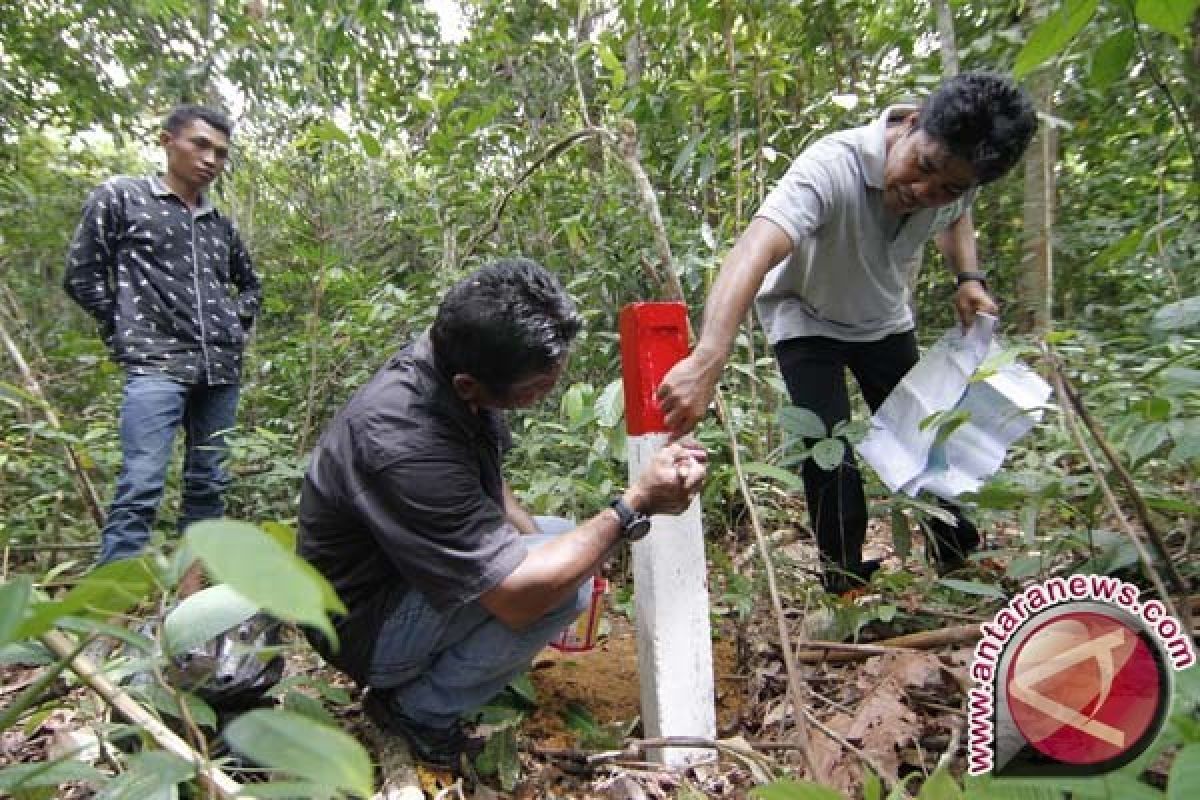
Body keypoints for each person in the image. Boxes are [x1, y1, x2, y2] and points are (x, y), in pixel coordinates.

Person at [297, 258, 706, 768]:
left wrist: (545, 545)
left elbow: (484, 484)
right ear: (470, 385)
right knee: (563, 585)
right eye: (536, 389)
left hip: (399, 578)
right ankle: (418, 710)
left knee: (558, 539)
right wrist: (632, 506)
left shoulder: (446, 368)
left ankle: (446, 675)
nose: (547, 392)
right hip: (364, 628)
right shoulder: (403, 438)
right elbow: (516, 600)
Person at [657, 71, 1037, 594]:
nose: (925, 191)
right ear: (911, 122)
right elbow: (753, 250)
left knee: (925, 434)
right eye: (922, 167)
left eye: (948, 185)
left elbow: (957, 218)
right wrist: (708, 358)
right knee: (825, 444)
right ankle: (844, 578)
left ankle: (957, 557)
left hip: (882, 317)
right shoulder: (830, 166)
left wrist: (968, 278)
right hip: (804, 316)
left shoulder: (956, 185)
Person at [64, 104, 261, 595]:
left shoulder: (219, 224)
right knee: (141, 485)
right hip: (155, 366)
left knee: (208, 485)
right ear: (166, 141)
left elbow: (251, 285)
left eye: (221, 152)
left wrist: (235, 323)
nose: (211, 159)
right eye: (200, 145)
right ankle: (107, 612)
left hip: (220, 369)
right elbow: (82, 274)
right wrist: (124, 328)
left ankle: (190, 600)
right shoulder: (121, 197)